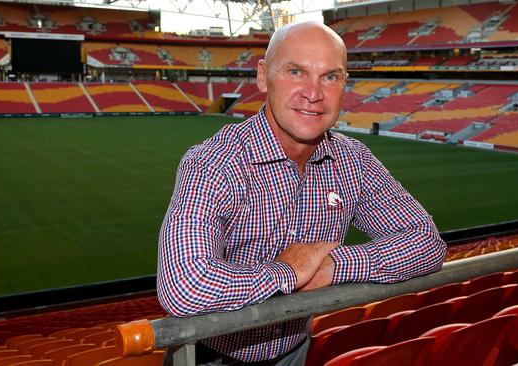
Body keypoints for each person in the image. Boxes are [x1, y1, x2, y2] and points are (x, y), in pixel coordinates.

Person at [157, 21, 446, 366]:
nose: (313, 93)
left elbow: (427, 242)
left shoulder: (354, 161)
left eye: (330, 76)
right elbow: (185, 286)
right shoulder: (214, 163)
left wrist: (333, 266)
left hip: (294, 349)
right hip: (210, 354)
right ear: (263, 77)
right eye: (296, 71)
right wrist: (287, 272)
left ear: (344, 85)